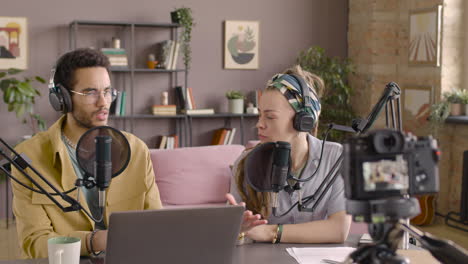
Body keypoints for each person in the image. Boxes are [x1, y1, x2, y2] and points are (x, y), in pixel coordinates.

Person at [11, 48, 163, 258]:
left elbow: (158, 224)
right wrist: (93, 241)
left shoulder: (136, 149)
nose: (103, 102)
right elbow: (34, 244)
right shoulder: (29, 157)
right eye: (91, 92)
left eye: (108, 91)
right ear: (62, 98)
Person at [227, 65, 351, 244]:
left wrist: (271, 232)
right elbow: (237, 236)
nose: (259, 124)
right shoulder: (244, 164)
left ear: (303, 121)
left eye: (270, 117)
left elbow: (339, 229)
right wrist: (237, 230)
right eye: (260, 115)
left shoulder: (335, 157)